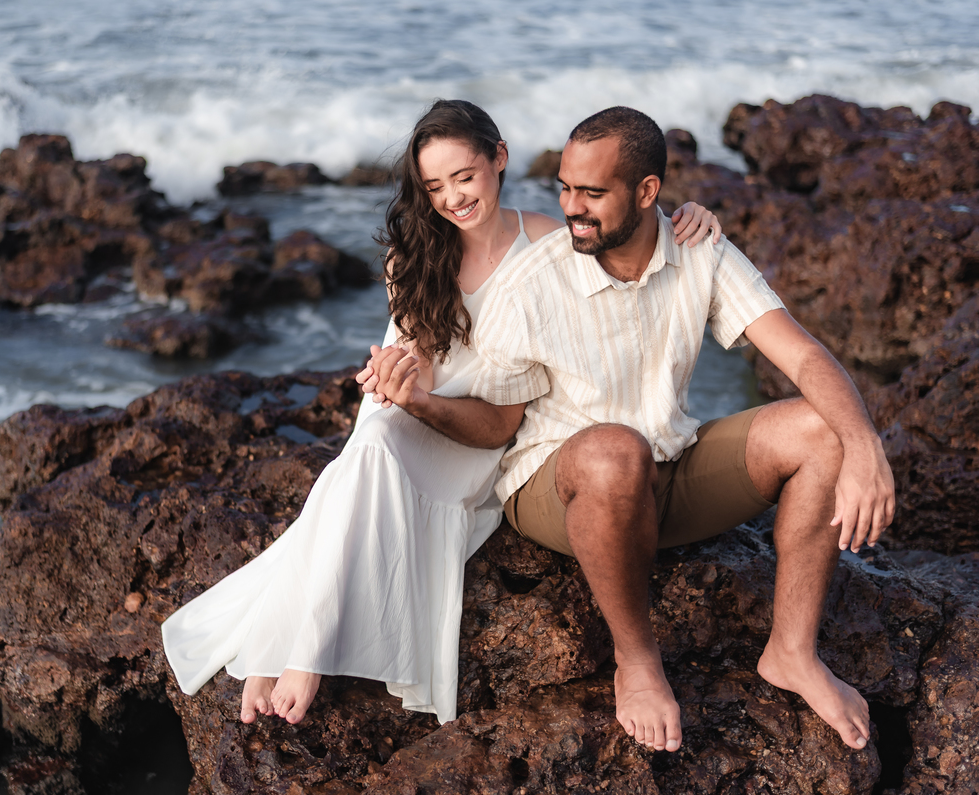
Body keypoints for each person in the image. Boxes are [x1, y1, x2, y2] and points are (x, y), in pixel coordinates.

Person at [162, 99, 722, 726]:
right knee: (371, 439)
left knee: (366, 456)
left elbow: (625, 246)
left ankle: (293, 641)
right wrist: (395, 376)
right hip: (421, 407)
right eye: (434, 186)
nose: (452, 197)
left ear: (498, 160)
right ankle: (300, 644)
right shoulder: (416, 253)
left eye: (464, 176)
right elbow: (417, 358)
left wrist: (683, 216)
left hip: (486, 428)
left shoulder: (551, 242)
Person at [363, 105, 896, 754]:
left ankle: (791, 650)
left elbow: (805, 356)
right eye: (563, 187)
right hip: (558, 483)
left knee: (824, 428)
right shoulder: (534, 280)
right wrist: (418, 402)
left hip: (667, 464)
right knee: (616, 451)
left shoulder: (700, 251)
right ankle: (637, 657)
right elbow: (496, 424)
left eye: (592, 192)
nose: (571, 207)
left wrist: (866, 445)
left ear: (647, 192)